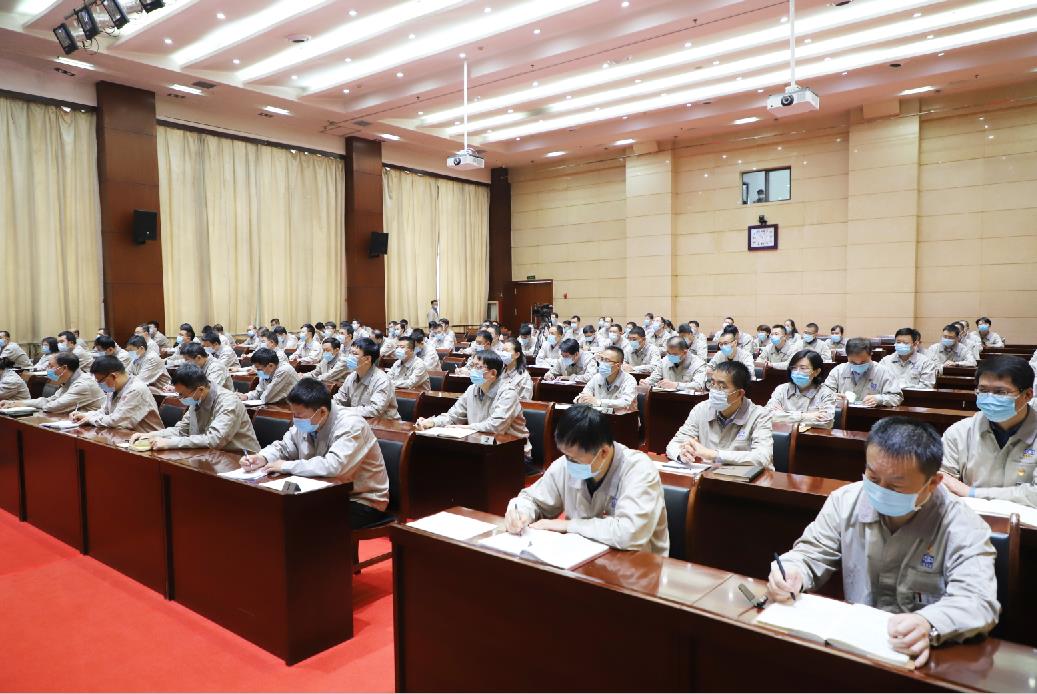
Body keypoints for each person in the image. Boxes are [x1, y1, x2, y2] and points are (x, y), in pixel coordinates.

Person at [768, 417, 999, 667]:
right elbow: (811, 553)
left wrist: (929, 623)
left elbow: (977, 600)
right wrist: (793, 571)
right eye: (873, 477)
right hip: (852, 647)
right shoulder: (845, 501)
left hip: (919, 657)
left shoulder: (963, 525)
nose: (880, 491)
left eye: (895, 486)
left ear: (932, 483)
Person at [504, 405, 669, 554]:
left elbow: (630, 534)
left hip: (638, 566)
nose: (569, 464)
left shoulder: (639, 469)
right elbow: (532, 499)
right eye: (566, 456)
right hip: (581, 558)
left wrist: (569, 525)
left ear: (603, 452)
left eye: (575, 460)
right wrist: (520, 512)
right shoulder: (567, 463)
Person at [239, 379, 391, 529]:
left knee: (300, 522)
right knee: (272, 507)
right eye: (293, 414)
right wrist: (263, 457)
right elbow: (285, 446)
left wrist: (286, 466)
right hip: (322, 492)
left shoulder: (351, 425)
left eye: (299, 415)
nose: (295, 420)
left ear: (322, 411)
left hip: (360, 499)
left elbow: (333, 466)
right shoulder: (308, 419)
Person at [941, 356, 1037, 507]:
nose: (990, 398)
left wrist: (971, 492)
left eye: (1000, 392)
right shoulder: (959, 432)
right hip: (969, 517)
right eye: (983, 390)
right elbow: (941, 480)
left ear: (1027, 395)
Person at [416, 351, 530, 455]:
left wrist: (465, 428)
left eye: (478, 367)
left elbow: (495, 427)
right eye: (472, 366)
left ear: (493, 373)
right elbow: (453, 417)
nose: (473, 371)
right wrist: (431, 422)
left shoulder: (508, 393)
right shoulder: (472, 389)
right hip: (481, 447)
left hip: (513, 453)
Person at [666, 361, 773, 469]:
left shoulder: (760, 415)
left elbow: (762, 457)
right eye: (712, 384)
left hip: (744, 477)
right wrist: (681, 454)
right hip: (708, 475)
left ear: (739, 394)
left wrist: (714, 455)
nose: (714, 390)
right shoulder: (701, 409)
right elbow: (674, 444)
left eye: (721, 387)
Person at [131, 364, 260, 451]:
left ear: (200, 390)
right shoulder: (197, 399)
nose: (180, 398)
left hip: (241, 459)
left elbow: (214, 440)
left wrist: (170, 443)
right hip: (211, 455)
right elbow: (182, 430)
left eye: (182, 394)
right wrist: (151, 435)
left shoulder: (228, 402)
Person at [68, 356, 163, 432]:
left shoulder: (136, 389)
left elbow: (117, 421)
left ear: (113, 376)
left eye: (101, 381)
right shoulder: (114, 388)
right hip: (124, 436)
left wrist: (89, 419)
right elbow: (104, 412)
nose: (100, 385)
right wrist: (85, 415)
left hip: (148, 441)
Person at [1, 353, 104, 414]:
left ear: (64, 368)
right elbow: (49, 400)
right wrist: (17, 403)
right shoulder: (69, 380)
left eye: (50, 366)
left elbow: (53, 407)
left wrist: (22, 403)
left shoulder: (83, 384)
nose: (48, 369)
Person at [766, 350, 837, 428]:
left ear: (816, 372)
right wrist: (805, 416)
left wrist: (783, 415)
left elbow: (827, 422)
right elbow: (768, 415)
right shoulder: (782, 389)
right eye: (794, 368)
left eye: (803, 368)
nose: (797, 372)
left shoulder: (826, 393)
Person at [824, 337, 903, 408]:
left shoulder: (883, 372)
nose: (858, 365)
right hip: (843, 414)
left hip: (871, 415)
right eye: (853, 362)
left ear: (871, 354)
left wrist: (878, 399)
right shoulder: (838, 370)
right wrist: (833, 396)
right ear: (847, 356)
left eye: (863, 362)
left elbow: (896, 397)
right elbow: (824, 392)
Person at [333, 337, 400, 420]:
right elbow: (339, 399)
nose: (350, 357)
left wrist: (344, 410)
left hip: (385, 423)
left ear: (368, 359)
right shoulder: (351, 376)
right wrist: (329, 406)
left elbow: (375, 410)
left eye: (354, 354)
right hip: (359, 420)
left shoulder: (382, 380)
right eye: (350, 353)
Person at [575, 346, 636, 413]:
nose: (602, 363)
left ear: (618, 366)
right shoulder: (597, 377)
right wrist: (581, 399)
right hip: (597, 416)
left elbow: (626, 402)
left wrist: (599, 402)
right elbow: (584, 394)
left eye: (607, 360)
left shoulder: (629, 380)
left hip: (617, 418)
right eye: (602, 359)